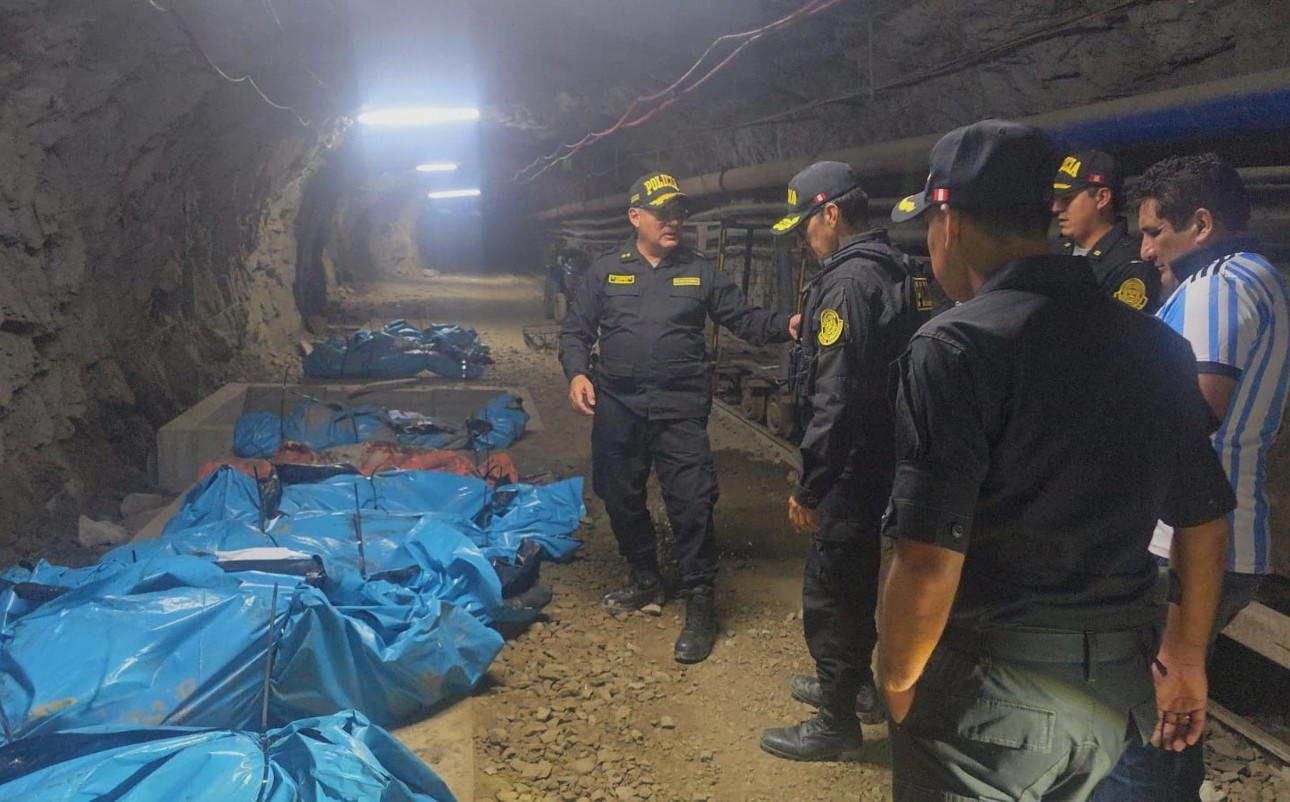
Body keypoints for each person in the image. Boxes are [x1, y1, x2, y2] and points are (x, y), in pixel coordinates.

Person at [879, 119, 1235, 800]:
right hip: (1118, 697)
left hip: (992, 696)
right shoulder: (1156, 346)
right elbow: (1204, 522)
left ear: (949, 222)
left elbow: (927, 559)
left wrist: (896, 679)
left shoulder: (954, 347)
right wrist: (1186, 657)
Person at [1092, 152, 1290, 801]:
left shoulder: (1217, 287)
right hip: (1225, 537)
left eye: (1156, 232)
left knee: (1139, 728)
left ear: (1201, 224)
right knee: (1174, 715)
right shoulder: (1260, 277)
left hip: (1187, 544)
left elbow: (1194, 413)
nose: (1146, 250)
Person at [559, 172, 801, 664]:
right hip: (618, 406)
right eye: (662, 213)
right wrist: (577, 373)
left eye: (678, 213)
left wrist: (788, 323)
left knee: (691, 502)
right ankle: (645, 575)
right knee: (618, 493)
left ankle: (700, 599)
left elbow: (745, 318)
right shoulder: (606, 272)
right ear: (636, 216)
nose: (673, 221)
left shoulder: (700, 271)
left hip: (679, 407)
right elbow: (575, 332)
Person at [757, 162, 931, 762]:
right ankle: (852, 687)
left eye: (807, 225)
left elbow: (837, 396)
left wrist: (811, 483)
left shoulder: (849, 282)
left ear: (831, 213)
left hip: (850, 463)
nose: (805, 238)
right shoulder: (891, 267)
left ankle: (835, 722)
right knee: (854, 577)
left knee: (832, 587)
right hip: (880, 452)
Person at [1051, 149, 1162, 313]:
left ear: (1102, 198)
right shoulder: (1056, 251)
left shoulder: (1131, 265)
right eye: (1056, 199)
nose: (1056, 208)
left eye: (1066, 199)